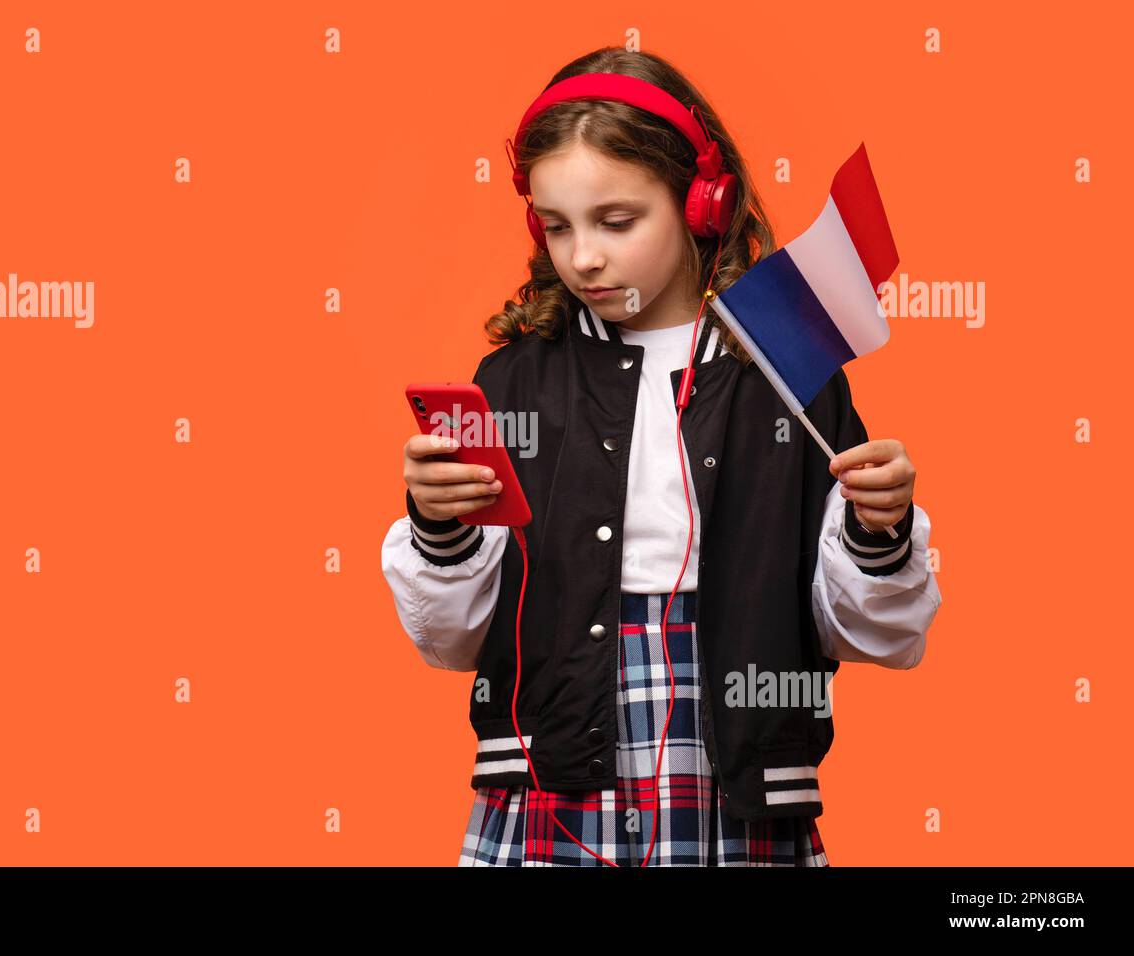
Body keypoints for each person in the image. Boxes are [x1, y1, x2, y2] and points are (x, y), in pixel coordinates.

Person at [380, 47, 942, 866]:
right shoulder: (511, 380)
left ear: (701, 204)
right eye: (557, 225)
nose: (583, 258)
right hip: (551, 775)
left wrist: (879, 533)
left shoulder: (787, 375)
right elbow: (452, 640)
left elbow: (876, 636)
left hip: (739, 777)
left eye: (616, 221)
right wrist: (439, 527)